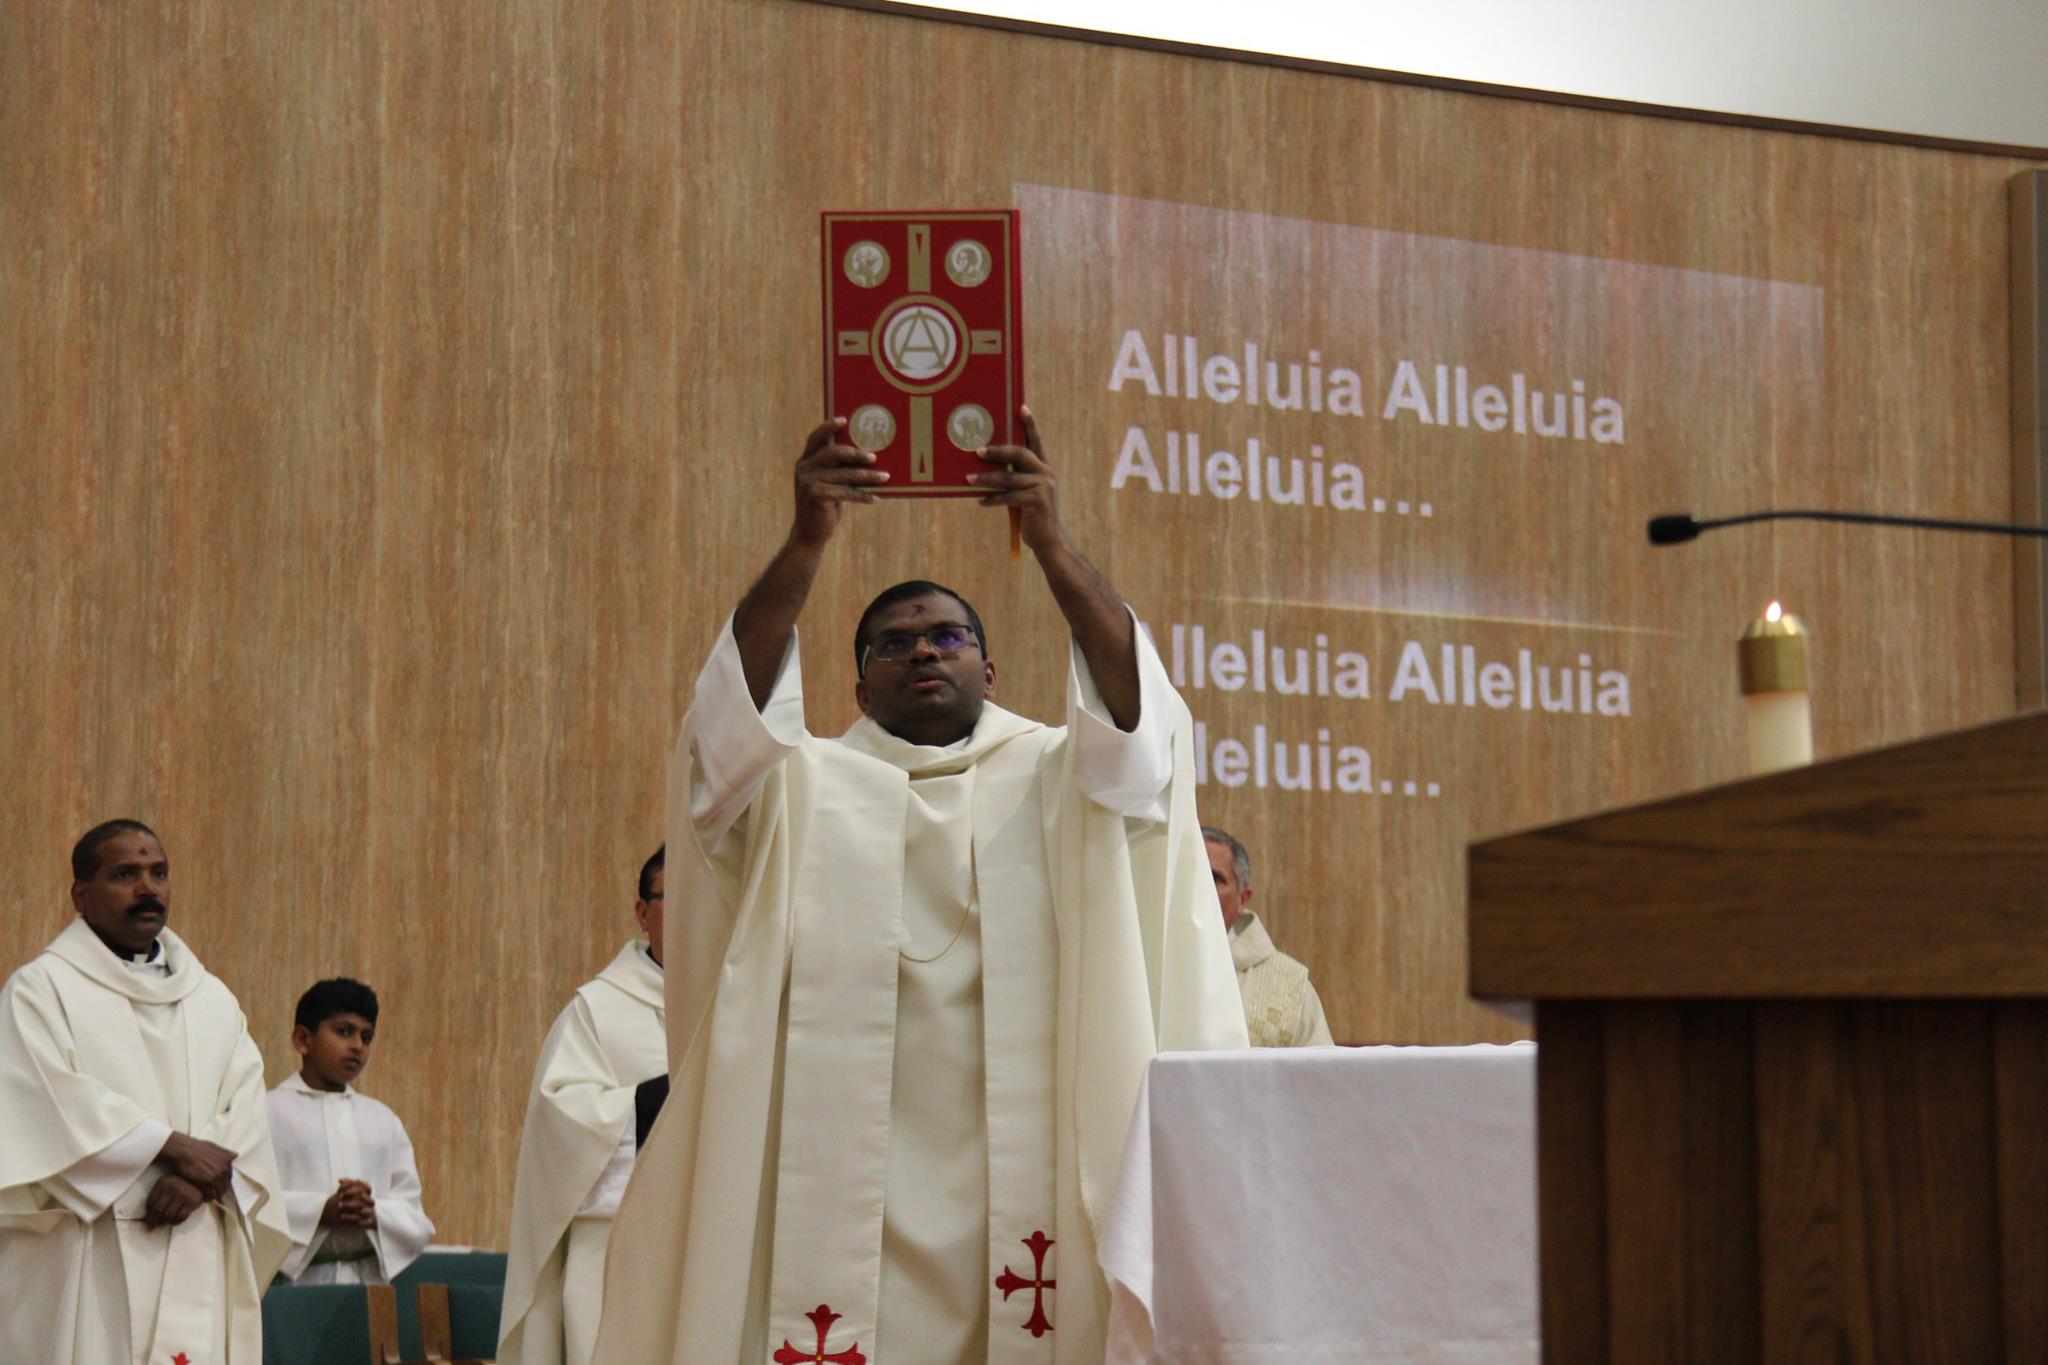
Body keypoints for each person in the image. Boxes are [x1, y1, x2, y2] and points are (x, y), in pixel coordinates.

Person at [595, 409, 1247, 1365]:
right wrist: (807, 539)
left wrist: (1053, 543)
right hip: (840, 1181)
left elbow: (1143, 729)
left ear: (992, 666)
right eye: (894, 645)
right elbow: (727, 721)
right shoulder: (801, 788)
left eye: (948, 636)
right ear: (858, 690)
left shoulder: (1064, 778)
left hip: (1034, 1171)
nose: (925, 652)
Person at [0, 819, 290, 1364]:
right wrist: (172, 1148)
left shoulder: (212, 999)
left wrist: (202, 1184)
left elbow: (245, 1107)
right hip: (92, 1251)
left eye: (159, 873)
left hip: (198, 1234)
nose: (148, 889)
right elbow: (40, 1104)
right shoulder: (41, 991)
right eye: (125, 874)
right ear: (81, 896)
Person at [498, 846, 668, 1365]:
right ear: (642, 912)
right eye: (676, 898)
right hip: (618, 1259)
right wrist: (646, 1105)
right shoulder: (598, 1008)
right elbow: (561, 1124)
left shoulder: (738, 1004)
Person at [266, 977, 435, 1284]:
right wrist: (320, 1211)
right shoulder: (265, 1112)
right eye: (344, 1031)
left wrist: (373, 1213)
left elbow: (415, 1217)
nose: (357, 1046)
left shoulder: (382, 1120)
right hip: (290, 1284)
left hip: (367, 1283)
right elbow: (247, 1200)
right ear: (303, 1040)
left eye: (367, 1037)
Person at [1204, 826, 1335, 1048]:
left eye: (1214, 878)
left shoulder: (1290, 986)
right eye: (1189, 873)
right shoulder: (1138, 964)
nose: (1198, 887)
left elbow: (1322, 1077)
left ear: (1242, 899)